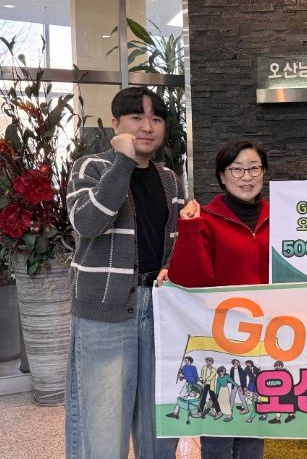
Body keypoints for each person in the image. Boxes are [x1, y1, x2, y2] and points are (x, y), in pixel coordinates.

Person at [64, 86, 184, 458]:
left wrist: (173, 264)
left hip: (160, 311)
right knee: (103, 427)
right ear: (116, 124)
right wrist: (123, 163)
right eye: (137, 117)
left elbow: (172, 241)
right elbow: (88, 223)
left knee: (160, 424)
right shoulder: (92, 167)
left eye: (156, 118)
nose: (147, 127)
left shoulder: (169, 178)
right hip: (106, 311)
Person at [167, 139, 270, 459]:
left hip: (268, 337)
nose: (246, 176)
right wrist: (190, 228)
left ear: (264, 173)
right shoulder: (207, 217)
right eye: (236, 169)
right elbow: (188, 279)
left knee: (254, 427)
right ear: (222, 177)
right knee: (218, 429)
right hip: (217, 339)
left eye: (254, 168)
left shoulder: (281, 216)